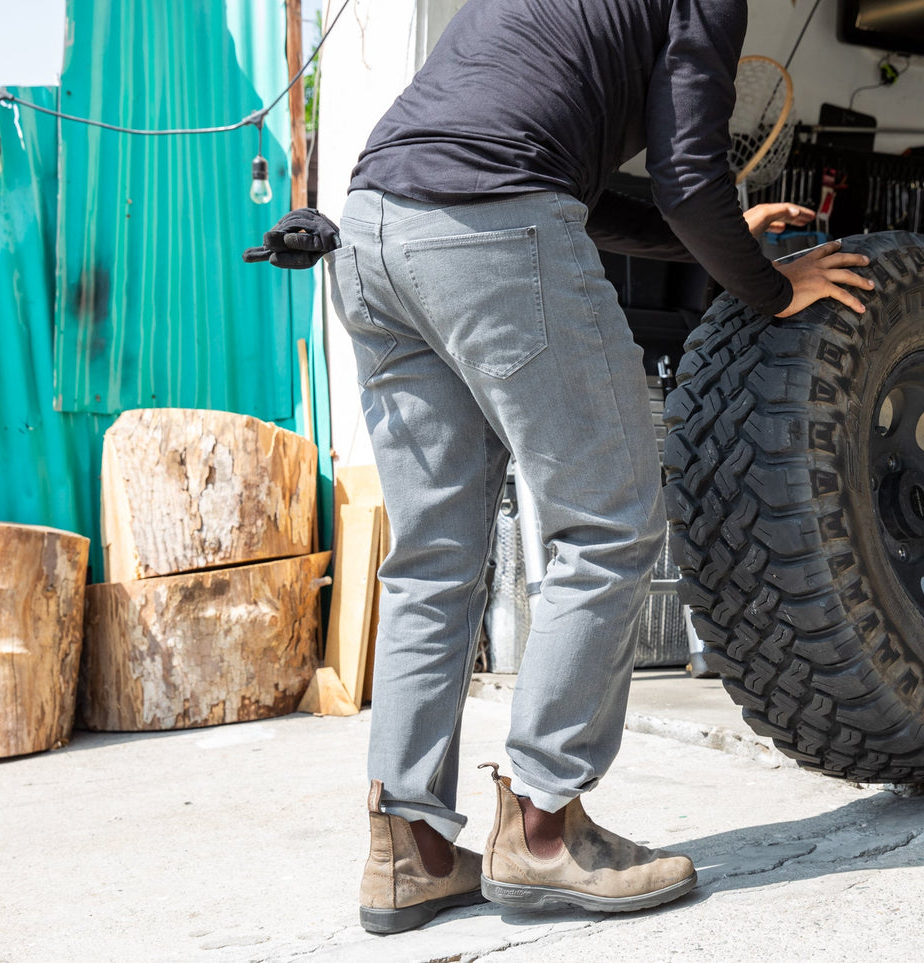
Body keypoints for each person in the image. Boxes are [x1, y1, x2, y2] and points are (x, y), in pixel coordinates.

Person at [251, 0, 873, 936]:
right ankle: (545, 830)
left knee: (434, 558)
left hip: (374, 234)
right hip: (489, 230)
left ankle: (408, 851)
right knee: (610, 520)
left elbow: (613, 189)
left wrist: (719, 226)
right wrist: (771, 284)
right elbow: (686, 177)